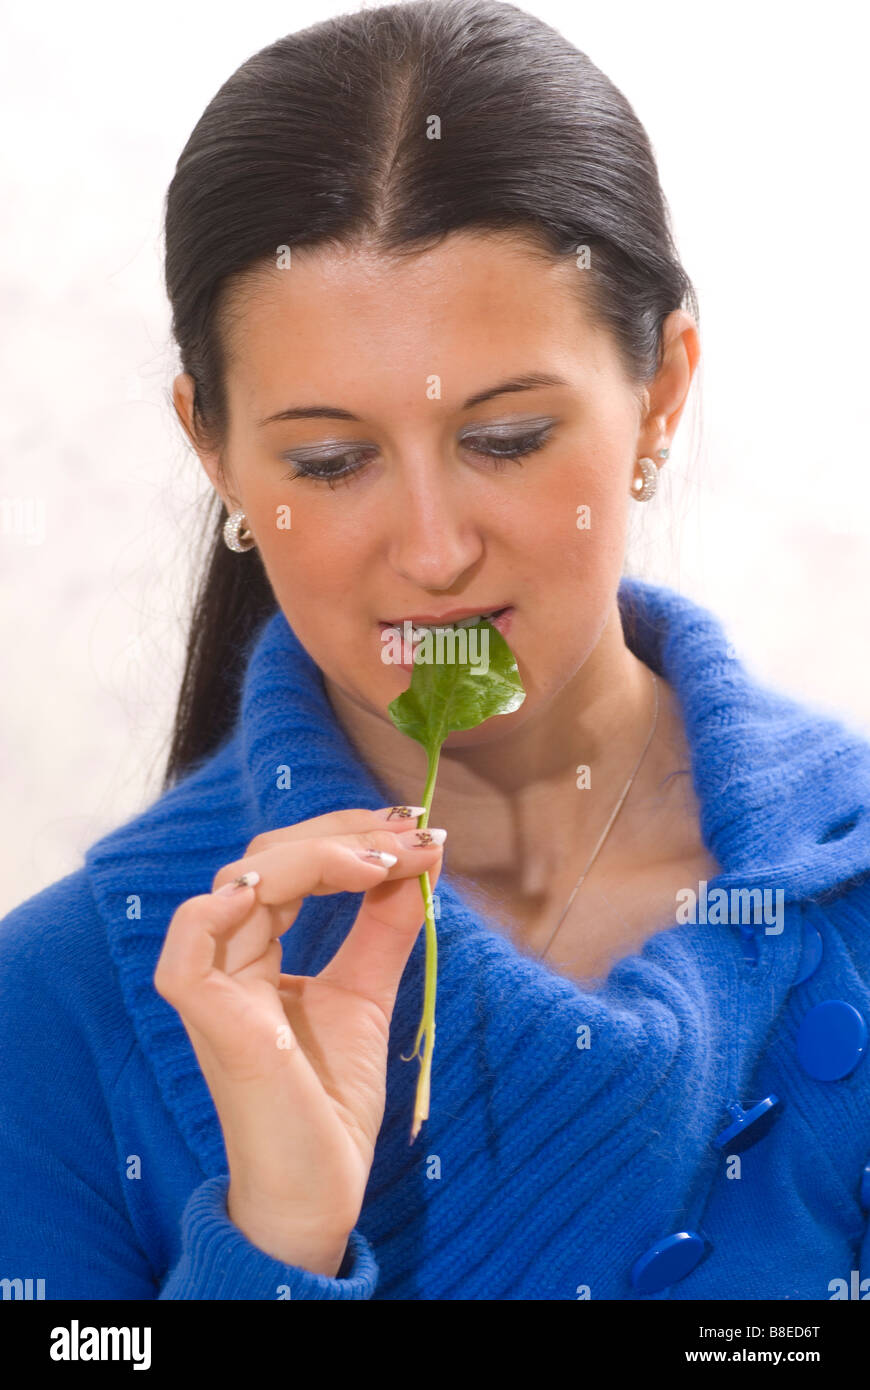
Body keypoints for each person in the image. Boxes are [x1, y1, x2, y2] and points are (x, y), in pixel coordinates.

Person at [2, 0, 869, 1302]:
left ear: (662, 391)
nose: (430, 549)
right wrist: (275, 1237)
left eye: (506, 437)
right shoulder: (54, 1013)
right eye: (330, 460)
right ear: (213, 448)